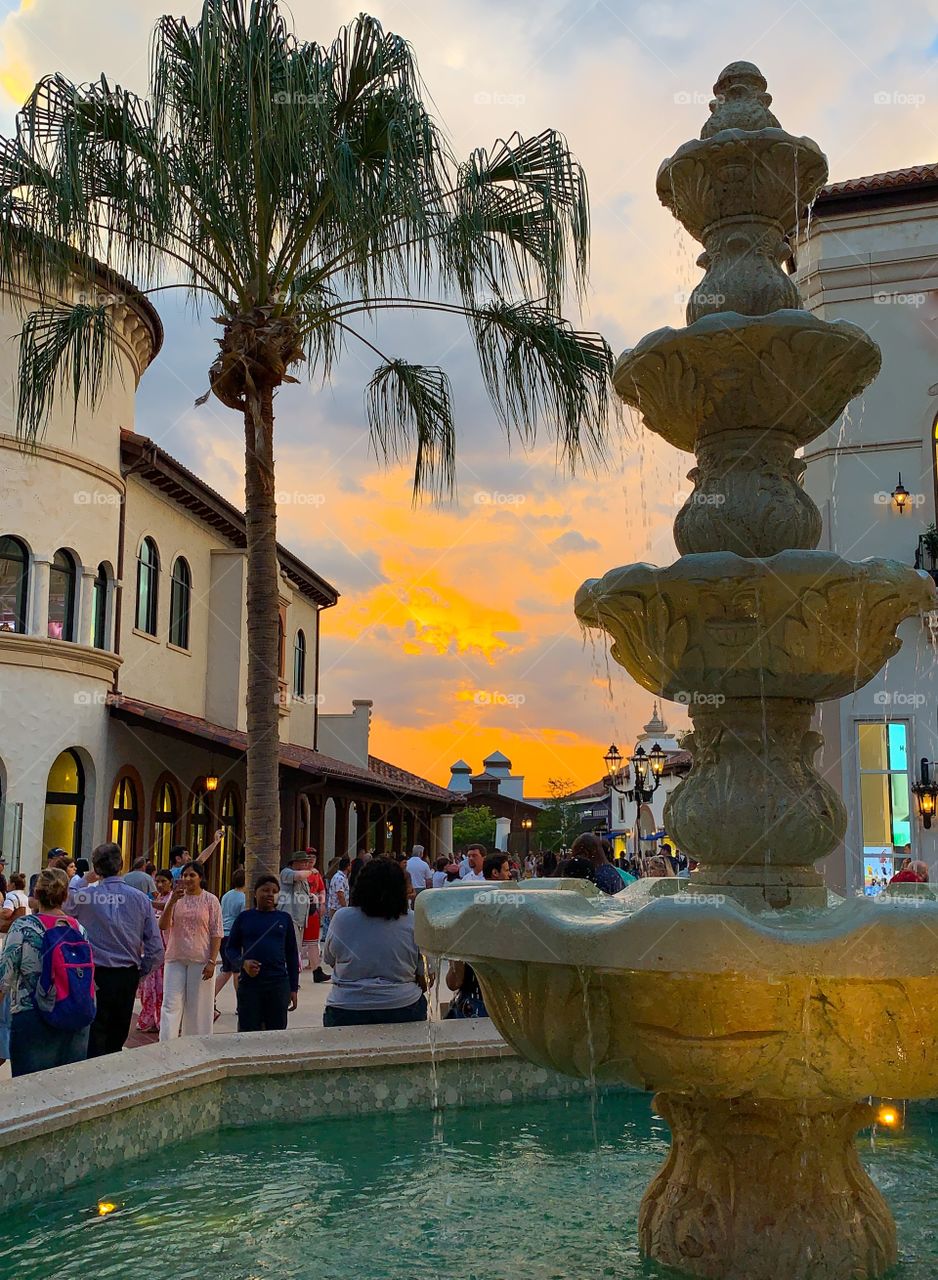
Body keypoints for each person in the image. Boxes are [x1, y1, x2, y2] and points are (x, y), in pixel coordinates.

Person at [68, 842, 163, 1056]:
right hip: (127, 974)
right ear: (121, 864)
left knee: (94, 1034)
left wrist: (84, 880)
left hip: (96, 974)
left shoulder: (87, 896)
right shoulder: (140, 899)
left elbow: (66, 904)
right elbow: (156, 948)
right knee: (117, 1037)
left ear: (97, 868)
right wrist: (141, 972)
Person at [0, 868, 92, 1076]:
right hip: (74, 1017)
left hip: (32, 1016)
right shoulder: (79, 929)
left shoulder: (23, 927)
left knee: (30, 1095)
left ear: (36, 894)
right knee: (67, 1092)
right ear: (66, 895)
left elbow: (3, 979)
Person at [322, 858, 429, 1027]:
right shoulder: (414, 920)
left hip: (346, 1007)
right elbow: (427, 974)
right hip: (403, 1005)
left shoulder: (342, 918)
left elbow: (329, 959)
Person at [158, 860, 223, 1040]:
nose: (187, 879)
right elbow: (163, 925)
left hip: (201, 960)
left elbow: (217, 932)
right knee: (170, 1004)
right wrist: (171, 901)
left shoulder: (211, 900)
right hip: (175, 957)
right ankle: (167, 1046)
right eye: (185, 875)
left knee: (198, 1006)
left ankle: (197, 1045)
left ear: (200, 878)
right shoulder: (175, 898)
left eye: (192, 875)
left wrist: (212, 961)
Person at [227, 875, 300, 1032]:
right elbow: (230, 948)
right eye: (265, 890)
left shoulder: (284, 919)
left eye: (274, 891)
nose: (269, 894)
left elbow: (292, 955)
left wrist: (293, 988)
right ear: (255, 893)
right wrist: (243, 963)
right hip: (250, 985)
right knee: (248, 1031)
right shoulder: (244, 918)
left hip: (278, 984)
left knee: (276, 1033)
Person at [136, 869, 173, 1033]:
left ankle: (160, 1020)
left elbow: (166, 909)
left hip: (166, 947)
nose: (159, 884)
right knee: (150, 986)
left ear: (171, 882)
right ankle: (149, 1018)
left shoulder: (173, 899)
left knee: (161, 987)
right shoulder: (157, 898)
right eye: (157, 881)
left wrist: (148, 902)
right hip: (153, 947)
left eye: (163, 881)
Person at [215, 866, 247, 1009]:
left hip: (223, 933)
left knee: (226, 970)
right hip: (235, 936)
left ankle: (210, 998)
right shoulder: (244, 898)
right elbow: (242, 919)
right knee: (237, 971)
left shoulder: (227, 895)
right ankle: (241, 1003)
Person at [279, 851, 314, 962]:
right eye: (303, 862)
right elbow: (298, 876)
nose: (306, 865)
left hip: (300, 918)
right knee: (290, 947)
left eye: (306, 862)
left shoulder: (304, 878)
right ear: (295, 863)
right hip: (289, 916)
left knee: (297, 948)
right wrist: (311, 872)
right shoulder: (286, 872)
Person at [300, 852, 329, 983]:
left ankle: (316, 970)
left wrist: (321, 902)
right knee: (296, 942)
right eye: (308, 859)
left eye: (313, 858)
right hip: (299, 911)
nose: (311, 861)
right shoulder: (298, 875)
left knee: (312, 942)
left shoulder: (316, 875)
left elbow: (322, 889)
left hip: (312, 911)